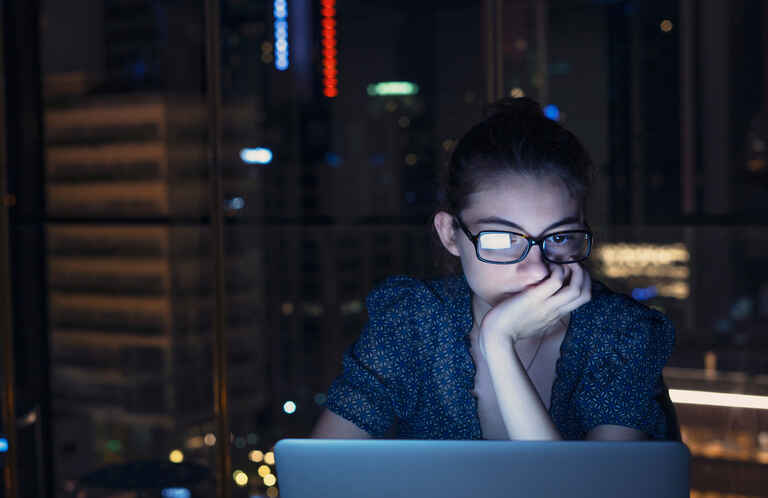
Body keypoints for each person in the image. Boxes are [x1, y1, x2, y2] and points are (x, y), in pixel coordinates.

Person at [311, 97, 676, 441]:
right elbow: (318, 476)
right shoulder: (412, 322)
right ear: (450, 234)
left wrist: (498, 343)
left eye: (560, 237)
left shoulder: (618, 335)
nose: (536, 269)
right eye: (502, 239)